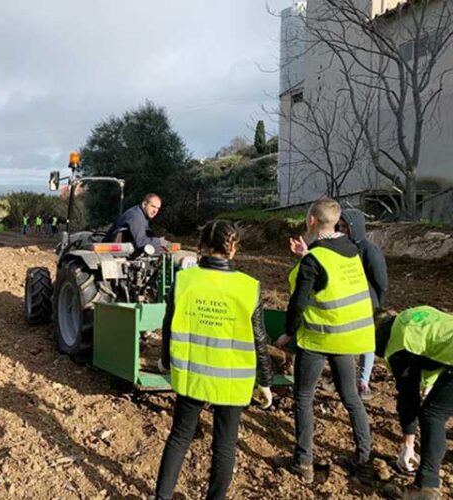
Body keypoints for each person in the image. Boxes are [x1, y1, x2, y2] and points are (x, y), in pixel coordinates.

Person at [154, 220, 273, 500]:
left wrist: (165, 361)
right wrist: (265, 380)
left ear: (202, 247)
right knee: (224, 446)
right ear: (233, 249)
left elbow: (169, 325)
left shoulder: (184, 280)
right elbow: (259, 338)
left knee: (180, 437)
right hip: (233, 381)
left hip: (191, 374)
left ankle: (162, 497)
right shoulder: (249, 287)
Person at [276, 198, 374, 484]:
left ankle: (303, 462)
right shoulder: (351, 251)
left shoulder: (314, 260)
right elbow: (330, 279)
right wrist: (307, 255)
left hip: (319, 339)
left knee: (303, 397)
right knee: (351, 397)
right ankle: (364, 460)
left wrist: (288, 332)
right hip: (349, 340)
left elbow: (298, 303)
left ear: (311, 221)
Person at [374, 307, 452, 500]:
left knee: (433, 415)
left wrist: (408, 446)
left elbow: (409, 398)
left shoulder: (396, 346)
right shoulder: (415, 315)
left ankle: (426, 486)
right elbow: (436, 350)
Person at [337, 208, 388, 400]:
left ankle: (363, 382)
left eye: (345, 227)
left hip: (367, 303)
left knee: (367, 342)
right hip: (344, 302)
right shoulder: (340, 248)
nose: (341, 231)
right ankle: (344, 379)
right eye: (339, 226)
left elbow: (381, 281)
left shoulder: (369, 249)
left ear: (354, 228)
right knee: (346, 341)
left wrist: (378, 306)